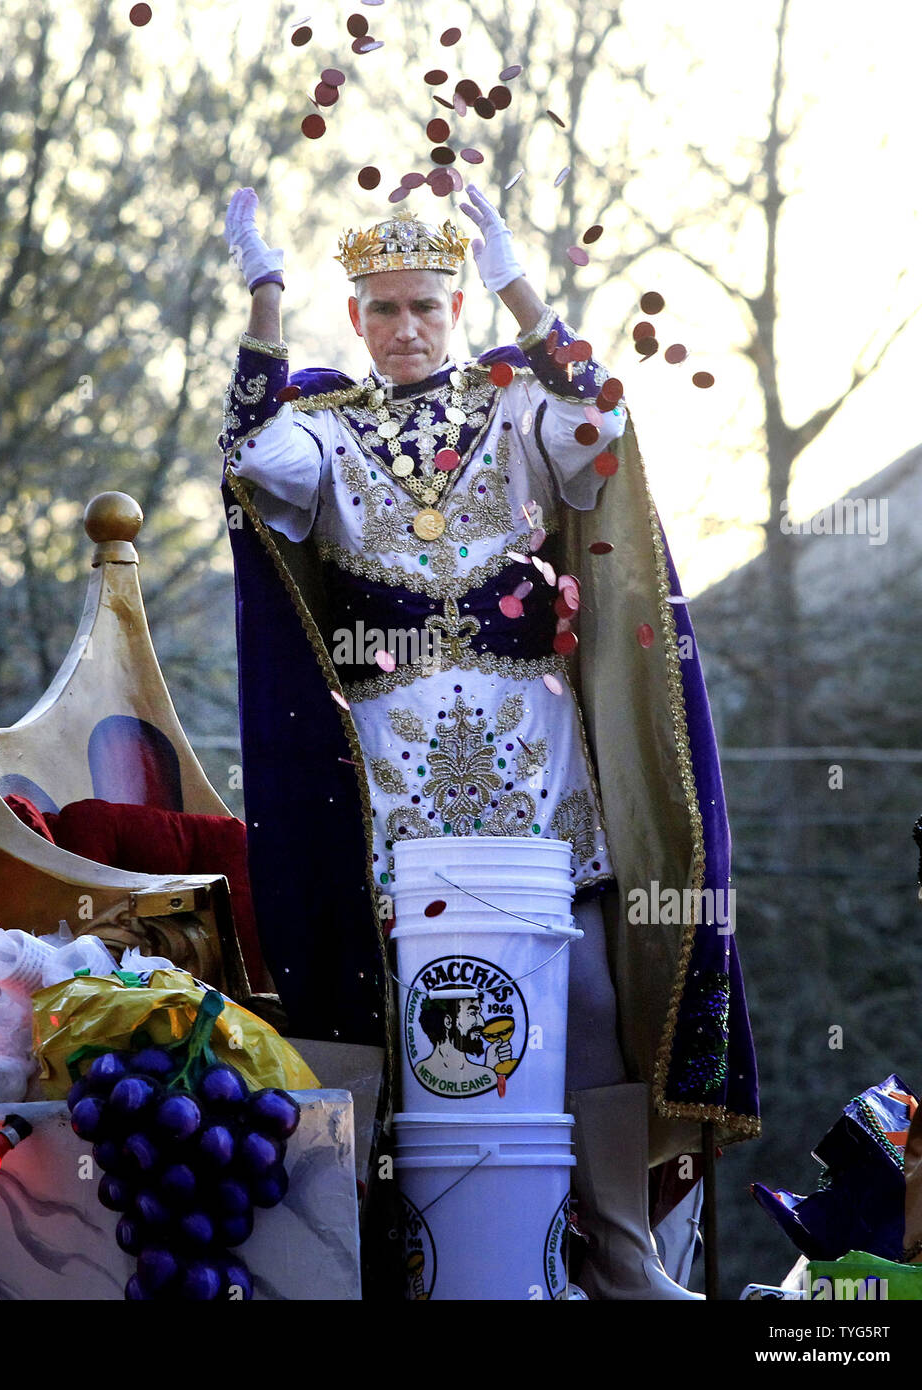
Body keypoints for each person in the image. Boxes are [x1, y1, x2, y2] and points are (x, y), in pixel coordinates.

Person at [219, 183, 759, 1299]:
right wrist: (264, 304)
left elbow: (597, 432)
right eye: (380, 309)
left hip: (534, 748)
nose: (404, 326)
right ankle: (421, 1254)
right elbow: (255, 465)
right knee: (414, 999)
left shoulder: (517, 404)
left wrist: (527, 295)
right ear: (355, 315)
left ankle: (613, 1250)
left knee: (588, 999)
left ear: (457, 303)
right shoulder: (327, 426)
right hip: (390, 764)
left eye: (424, 303)